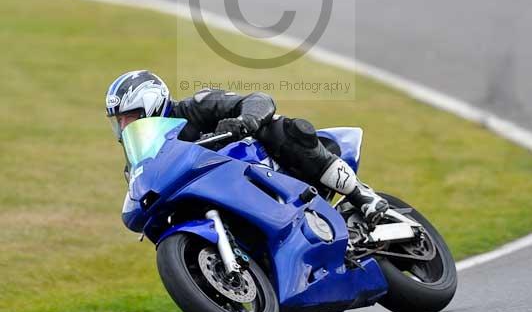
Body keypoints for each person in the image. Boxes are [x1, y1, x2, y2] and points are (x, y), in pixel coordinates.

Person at [105, 70, 389, 227]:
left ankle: (360, 194)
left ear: (151, 105)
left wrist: (244, 121)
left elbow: (258, 100)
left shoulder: (195, 107)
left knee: (281, 128)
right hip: (216, 194)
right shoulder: (140, 162)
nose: (123, 126)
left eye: (128, 117)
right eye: (119, 121)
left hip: (255, 165)